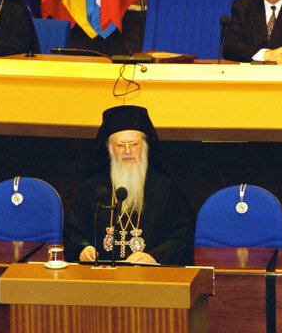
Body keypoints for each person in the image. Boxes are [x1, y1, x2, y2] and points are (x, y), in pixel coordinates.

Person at [63, 105, 195, 266]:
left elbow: (181, 236)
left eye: (133, 144)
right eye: (120, 145)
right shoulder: (93, 187)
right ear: (110, 149)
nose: (127, 151)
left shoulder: (165, 187)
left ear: (145, 147)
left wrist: (155, 257)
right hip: (100, 276)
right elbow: (72, 232)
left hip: (151, 277)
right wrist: (83, 249)